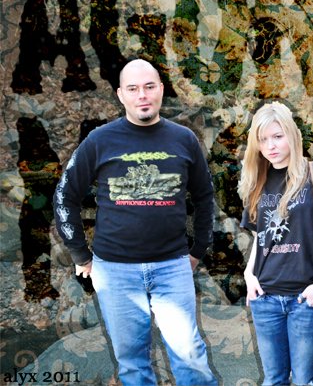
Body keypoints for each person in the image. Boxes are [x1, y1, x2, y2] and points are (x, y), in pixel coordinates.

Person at [53, 59, 217, 385]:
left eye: (149, 86)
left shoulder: (184, 139)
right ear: (121, 95)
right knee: (132, 362)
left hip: (172, 266)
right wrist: (80, 255)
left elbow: (204, 196)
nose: (142, 95)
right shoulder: (99, 140)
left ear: (161, 90)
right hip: (115, 272)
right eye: (133, 88)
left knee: (190, 356)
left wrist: (198, 249)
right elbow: (64, 195)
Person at [238, 102, 313, 386]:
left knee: (304, 380)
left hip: (304, 298)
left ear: (292, 134)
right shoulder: (257, 182)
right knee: (274, 379)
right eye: (263, 139)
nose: (271, 146)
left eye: (278, 136)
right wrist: (249, 274)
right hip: (265, 297)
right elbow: (260, 237)